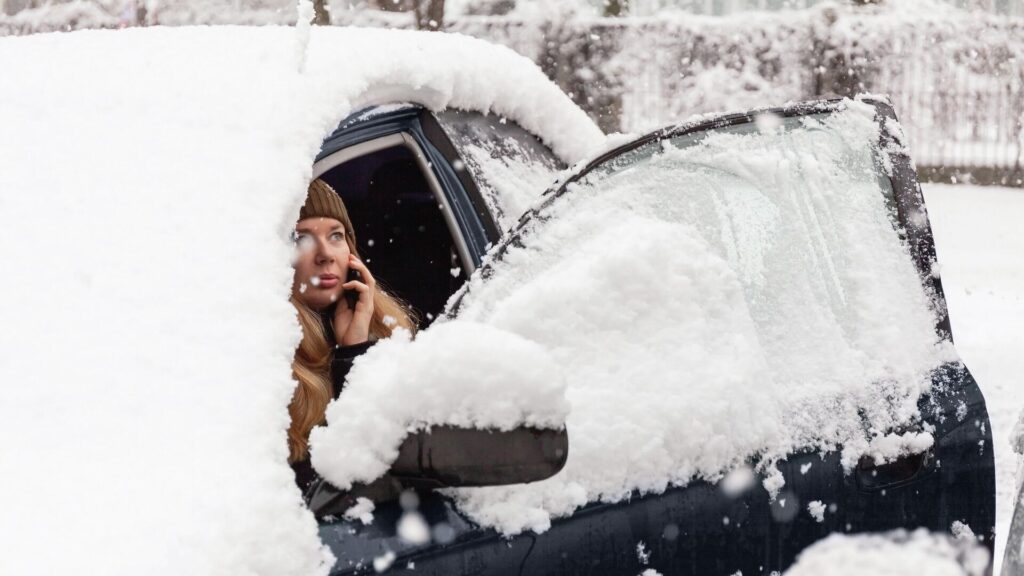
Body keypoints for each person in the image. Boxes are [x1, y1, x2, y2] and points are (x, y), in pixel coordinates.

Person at [287, 179, 416, 493]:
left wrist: (355, 348)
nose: (326, 255)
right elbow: (327, 493)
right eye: (302, 239)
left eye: (336, 236)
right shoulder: (269, 357)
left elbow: (395, 463)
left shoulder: (389, 333)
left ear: (352, 253)